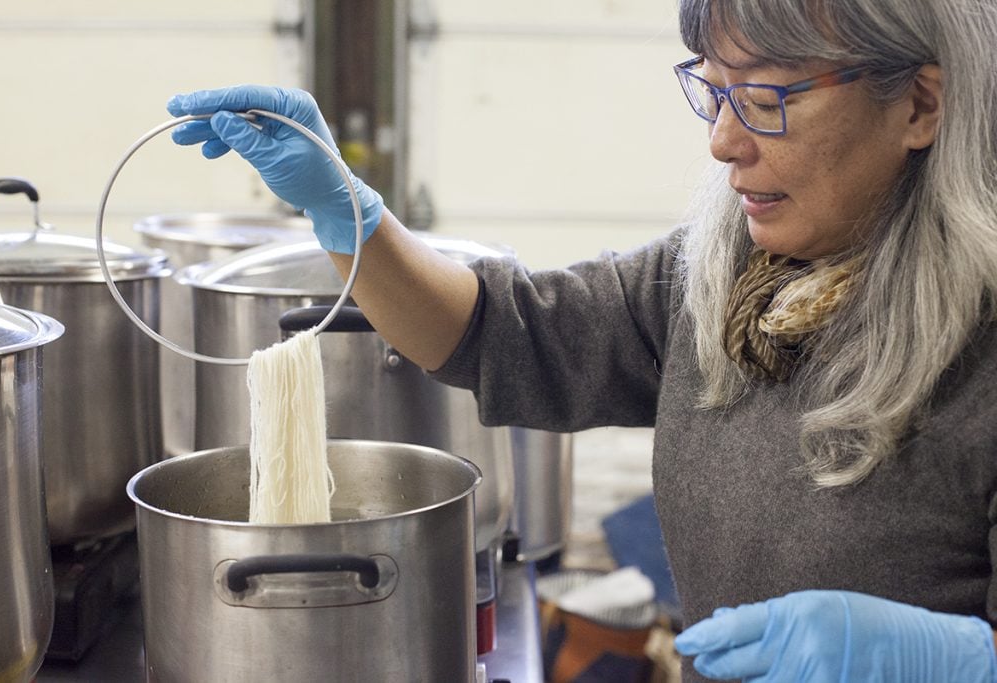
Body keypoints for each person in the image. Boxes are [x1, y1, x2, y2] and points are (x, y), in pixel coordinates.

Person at [166, 0, 997, 680]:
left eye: (768, 100)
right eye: (713, 92)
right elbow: (506, 334)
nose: (723, 141)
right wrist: (348, 210)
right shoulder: (722, 280)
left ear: (921, 104)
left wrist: (958, 661)